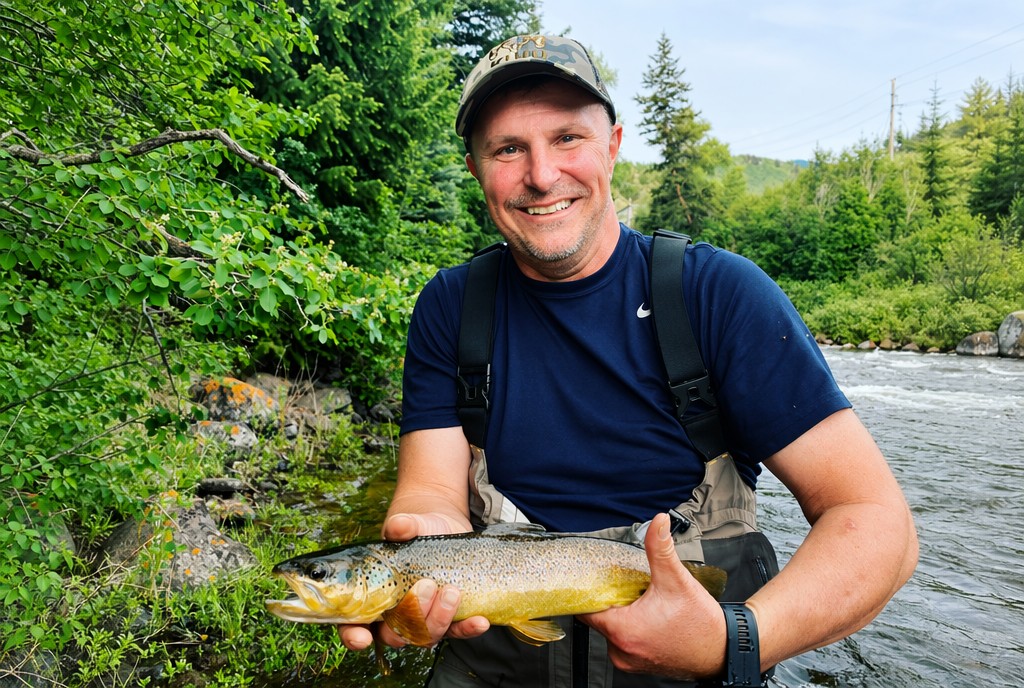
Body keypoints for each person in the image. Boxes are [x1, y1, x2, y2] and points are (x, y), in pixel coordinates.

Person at [337, 34, 918, 687]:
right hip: (492, 662)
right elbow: (433, 495)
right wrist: (423, 553)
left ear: (612, 146)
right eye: (508, 149)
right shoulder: (450, 306)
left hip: (697, 658)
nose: (541, 175)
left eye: (567, 138)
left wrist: (734, 641)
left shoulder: (718, 295)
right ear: (475, 169)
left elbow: (877, 522)